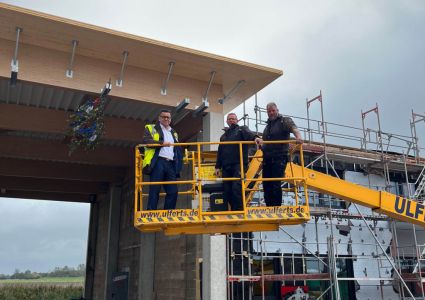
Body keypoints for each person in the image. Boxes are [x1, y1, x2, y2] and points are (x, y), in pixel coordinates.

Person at [255, 102, 303, 207]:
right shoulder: (267, 126)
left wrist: (298, 137)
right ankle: (269, 207)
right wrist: (260, 141)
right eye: (269, 111)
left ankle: (276, 208)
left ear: (277, 110)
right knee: (266, 183)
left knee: (275, 183)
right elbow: (265, 141)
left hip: (279, 157)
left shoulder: (284, 121)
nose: (271, 113)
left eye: (273, 110)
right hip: (267, 158)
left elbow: (294, 128)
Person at [215, 113, 258, 211]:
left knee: (236, 188)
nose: (231, 120)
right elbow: (220, 152)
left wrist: (256, 138)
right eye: (229, 119)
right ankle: (234, 210)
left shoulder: (241, 129)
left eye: (233, 119)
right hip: (226, 166)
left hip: (239, 165)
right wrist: (217, 166)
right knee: (227, 190)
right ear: (226, 121)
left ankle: (239, 211)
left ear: (237, 120)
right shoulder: (223, 136)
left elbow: (250, 135)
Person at [142, 109, 182, 210]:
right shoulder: (151, 128)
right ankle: (151, 212)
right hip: (158, 162)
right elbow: (147, 141)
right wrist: (161, 143)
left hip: (170, 164)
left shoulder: (174, 132)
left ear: (170, 119)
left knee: (173, 191)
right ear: (159, 118)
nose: (166, 119)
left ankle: (168, 213)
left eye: (168, 117)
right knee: (155, 189)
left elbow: (177, 149)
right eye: (163, 117)